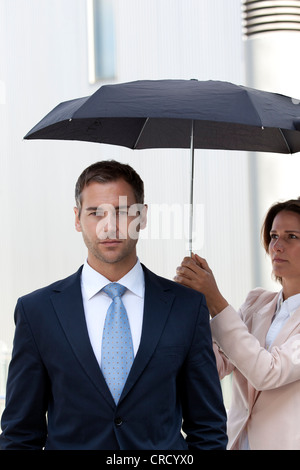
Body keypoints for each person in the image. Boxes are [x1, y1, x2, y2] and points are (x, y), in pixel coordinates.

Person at [0, 160, 227, 450]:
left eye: (122, 212)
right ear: (77, 218)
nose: (110, 226)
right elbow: (20, 434)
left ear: (142, 217)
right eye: (96, 213)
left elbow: (208, 428)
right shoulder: (37, 311)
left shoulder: (186, 307)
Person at [175, 198, 300, 450]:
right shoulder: (257, 302)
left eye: (292, 236)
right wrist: (189, 305)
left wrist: (215, 301)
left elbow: (267, 372)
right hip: (235, 443)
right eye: (274, 235)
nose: (277, 246)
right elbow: (215, 364)